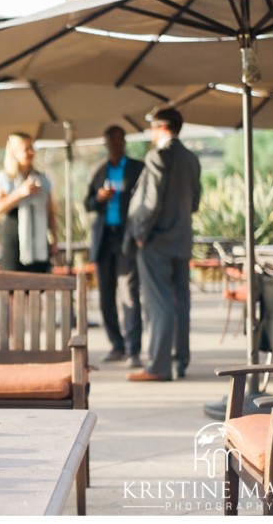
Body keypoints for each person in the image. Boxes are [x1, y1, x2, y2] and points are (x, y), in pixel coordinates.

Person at [124, 108, 201, 382]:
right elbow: (194, 202)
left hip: (156, 240)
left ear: (161, 127)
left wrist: (141, 233)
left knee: (159, 304)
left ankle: (158, 366)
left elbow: (150, 201)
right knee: (181, 302)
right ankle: (180, 361)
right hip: (181, 239)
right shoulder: (191, 158)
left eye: (152, 127)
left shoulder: (158, 156)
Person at [84, 125, 144, 368]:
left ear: (125, 141)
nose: (116, 143)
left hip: (127, 238)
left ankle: (133, 349)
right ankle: (116, 344)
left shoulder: (137, 168)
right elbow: (87, 203)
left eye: (120, 139)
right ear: (106, 142)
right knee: (106, 295)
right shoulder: (98, 170)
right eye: (111, 140)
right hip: (103, 238)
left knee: (129, 292)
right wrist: (98, 199)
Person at [0, 132, 58, 272]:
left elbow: (50, 212)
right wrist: (20, 193)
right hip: (14, 240)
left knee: (37, 285)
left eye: (32, 148)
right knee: (14, 287)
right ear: (14, 152)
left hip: (39, 239)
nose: (31, 152)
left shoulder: (42, 178)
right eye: (26, 148)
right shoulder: (4, 178)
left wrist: (54, 239)